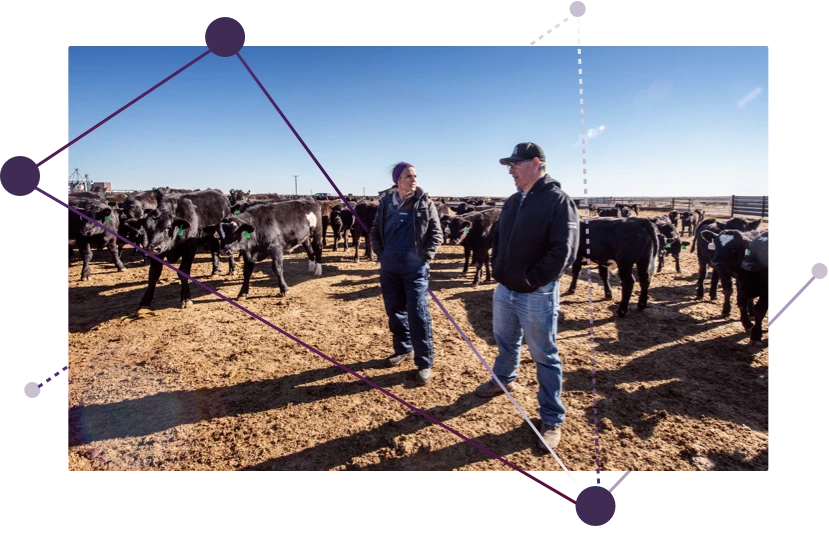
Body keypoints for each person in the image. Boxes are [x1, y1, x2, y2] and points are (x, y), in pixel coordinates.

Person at [474, 142, 580, 451]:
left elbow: (564, 250)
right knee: (504, 340)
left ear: (536, 163)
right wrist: (498, 268)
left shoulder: (558, 201)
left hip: (537, 293)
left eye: (515, 164)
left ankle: (551, 417)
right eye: (509, 165)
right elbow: (498, 237)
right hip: (506, 289)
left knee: (544, 354)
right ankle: (504, 378)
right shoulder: (512, 202)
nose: (510, 170)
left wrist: (533, 279)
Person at [370, 162, 444, 385]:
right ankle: (404, 349)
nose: (413, 180)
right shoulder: (386, 204)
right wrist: (381, 254)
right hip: (390, 265)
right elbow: (375, 231)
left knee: (418, 314)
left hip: (415, 267)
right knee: (395, 310)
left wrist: (425, 258)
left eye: (415, 176)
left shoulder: (425, 203)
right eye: (408, 176)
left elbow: (436, 233)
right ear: (397, 181)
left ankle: (424, 362)